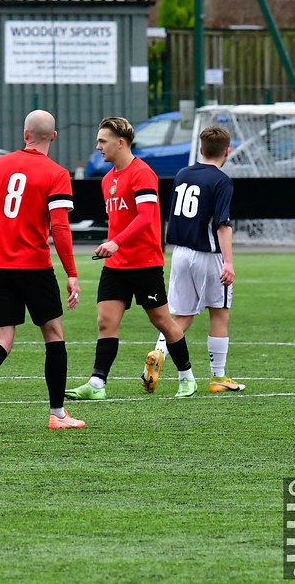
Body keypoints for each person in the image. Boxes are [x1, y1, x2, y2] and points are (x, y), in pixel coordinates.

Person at [0, 109, 86, 432]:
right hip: (34, 266)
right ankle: (58, 414)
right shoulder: (57, 173)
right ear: (53, 136)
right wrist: (72, 273)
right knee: (53, 335)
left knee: (1, 338)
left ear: (25, 133)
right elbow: (60, 227)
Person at [66, 116, 196, 400]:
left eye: (103, 141)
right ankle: (97, 383)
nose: (98, 146)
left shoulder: (142, 173)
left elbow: (146, 217)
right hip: (116, 265)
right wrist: (111, 245)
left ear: (121, 143)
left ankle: (187, 377)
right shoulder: (107, 180)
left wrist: (116, 242)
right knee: (105, 321)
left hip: (145, 263)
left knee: (162, 320)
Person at [150, 127, 244, 394]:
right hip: (208, 255)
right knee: (219, 313)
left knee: (181, 315)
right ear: (227, 151)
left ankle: (158, 353)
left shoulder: (182, 174)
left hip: (180, 253)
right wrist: (228, 262)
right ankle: (218, 377)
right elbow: (222, 225)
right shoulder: (222, 181)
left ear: (201, 149)